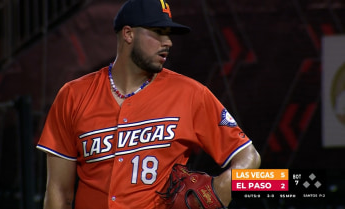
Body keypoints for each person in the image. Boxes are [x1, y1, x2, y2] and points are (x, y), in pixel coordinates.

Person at [36, 0, 261, 208]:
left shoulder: (191, 94)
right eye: (158, 32)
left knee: (292, 184)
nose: (168, 42)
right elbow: (58, 189)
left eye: (169, 34)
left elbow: (249, 157)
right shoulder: (73, 95)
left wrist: (221, 189)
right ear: (128, 34)